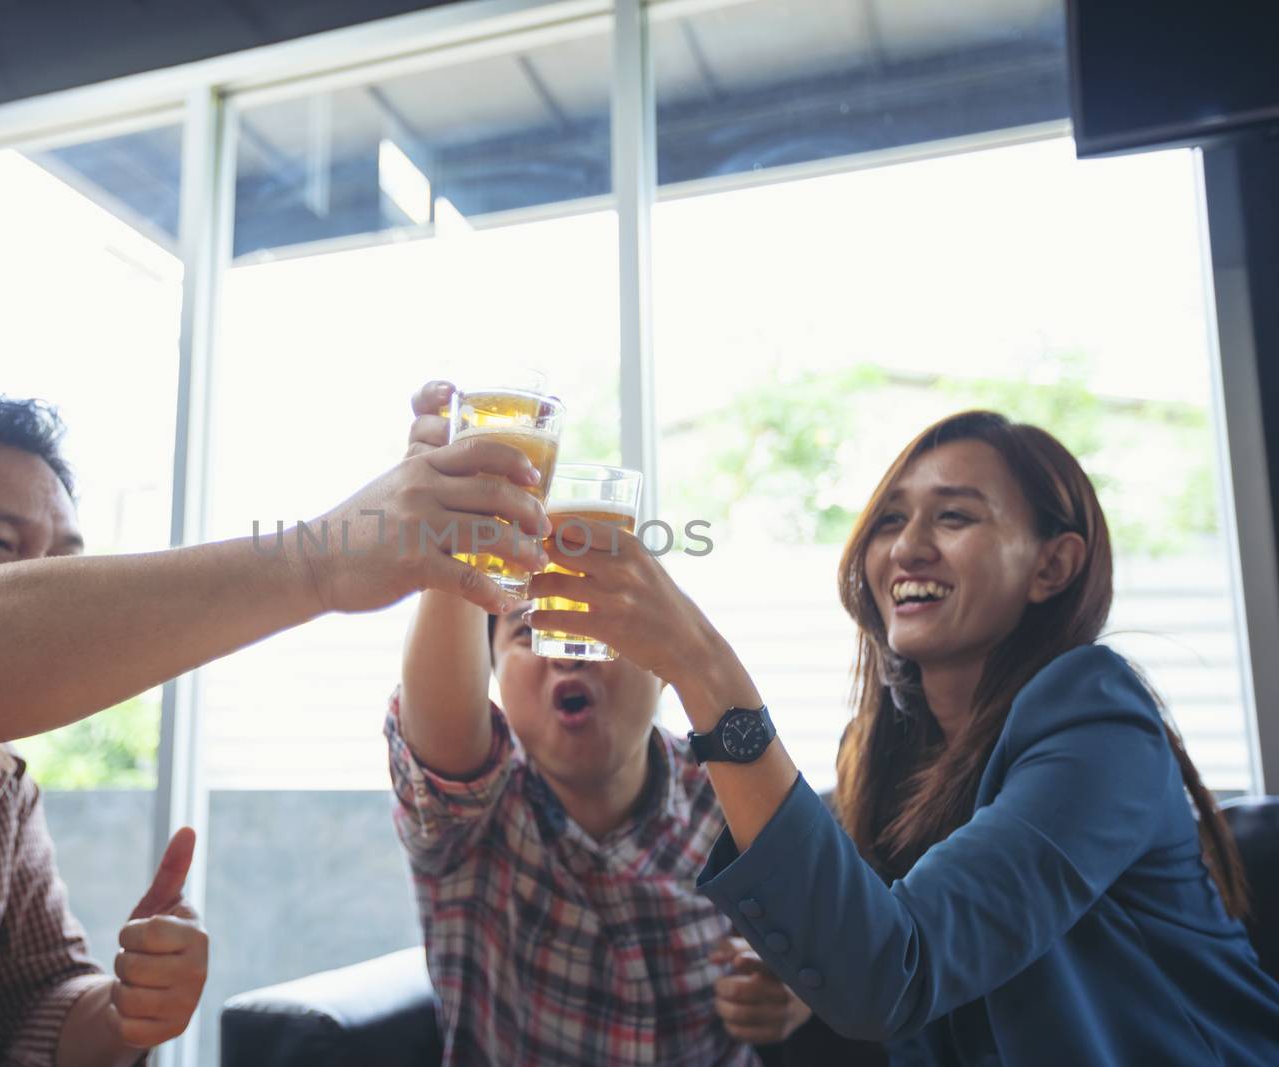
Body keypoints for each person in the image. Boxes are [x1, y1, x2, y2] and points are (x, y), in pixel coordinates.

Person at [0, 396, 549, 1066]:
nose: (48, 587)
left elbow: (36, 1006)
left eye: (63, 560)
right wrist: (319, 559)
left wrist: (128, 1004)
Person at [524, 409, 1279, 1066]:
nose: (907, 546)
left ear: (1053, 565)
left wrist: (702, 664)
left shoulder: (1099, 721)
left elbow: (894, 971)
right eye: (890, 518)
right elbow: (865, 947)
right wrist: (798, 988)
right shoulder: (887, 750)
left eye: (954, 516)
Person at [387, 381, 811, 1067]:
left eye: (592, 624)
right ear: (490, 673)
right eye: (530, 630)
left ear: (657, 658)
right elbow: (438, 741)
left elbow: (841, 932)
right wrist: (456, 541)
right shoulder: (480, 818)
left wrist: (798, 995)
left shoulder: (730, 794)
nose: (562, 652)